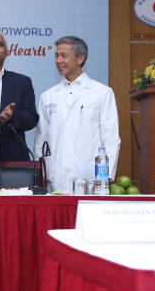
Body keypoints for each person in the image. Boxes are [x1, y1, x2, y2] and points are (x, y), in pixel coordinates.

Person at [33, 36, 121, 192]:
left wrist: (104, 178)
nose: (58, 60)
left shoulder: (102, 92)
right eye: (56, 56)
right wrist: (40, 173)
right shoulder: (48, 96)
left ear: (80, 58)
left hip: (91, 178)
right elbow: (41, 139)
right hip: (56, 177)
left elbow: (111, 138)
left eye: (64, 56)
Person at [0, 30, 39, 161]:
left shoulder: (22, 82)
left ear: (6, 51)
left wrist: (12, 117)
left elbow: (32, 119)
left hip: (14, 153)